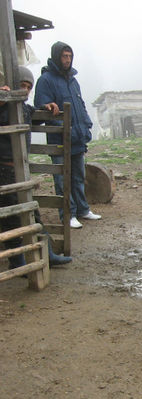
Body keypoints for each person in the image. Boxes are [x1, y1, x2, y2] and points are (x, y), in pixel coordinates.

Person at [1, 66, 71, 268]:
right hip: (3, 170)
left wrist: (48, 106)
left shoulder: (25, 108)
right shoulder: (3, 105)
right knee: (11, 215)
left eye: (28, 87)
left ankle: (47, 253)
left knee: (33, 212)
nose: (24, 90)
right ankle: (17, 261)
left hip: (20, 171)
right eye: (21, 86)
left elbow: (37, 116)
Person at [34, 41, 100, 229]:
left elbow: (81, 106)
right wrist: (47, 106)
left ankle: (82, 209)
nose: (67, 60)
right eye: (64, 56)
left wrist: (86, 125)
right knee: (62, 178)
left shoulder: (73, 80)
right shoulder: (46, 80)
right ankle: (67, 214)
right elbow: (41, 105)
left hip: (77, 137)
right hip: (59, 138)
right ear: (56, 57)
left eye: (70, 56)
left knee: (78, 177)